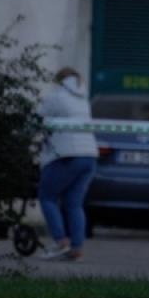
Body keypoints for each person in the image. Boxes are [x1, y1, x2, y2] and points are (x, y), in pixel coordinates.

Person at [36, 67, 99, 261]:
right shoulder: (83, 98)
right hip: (89, 155)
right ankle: (76, 249)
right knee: (74, 203)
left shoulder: (57, 96)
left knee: (47, 196)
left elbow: (37, 116)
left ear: (59, 79)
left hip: (67, 155)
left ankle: (60, 241)